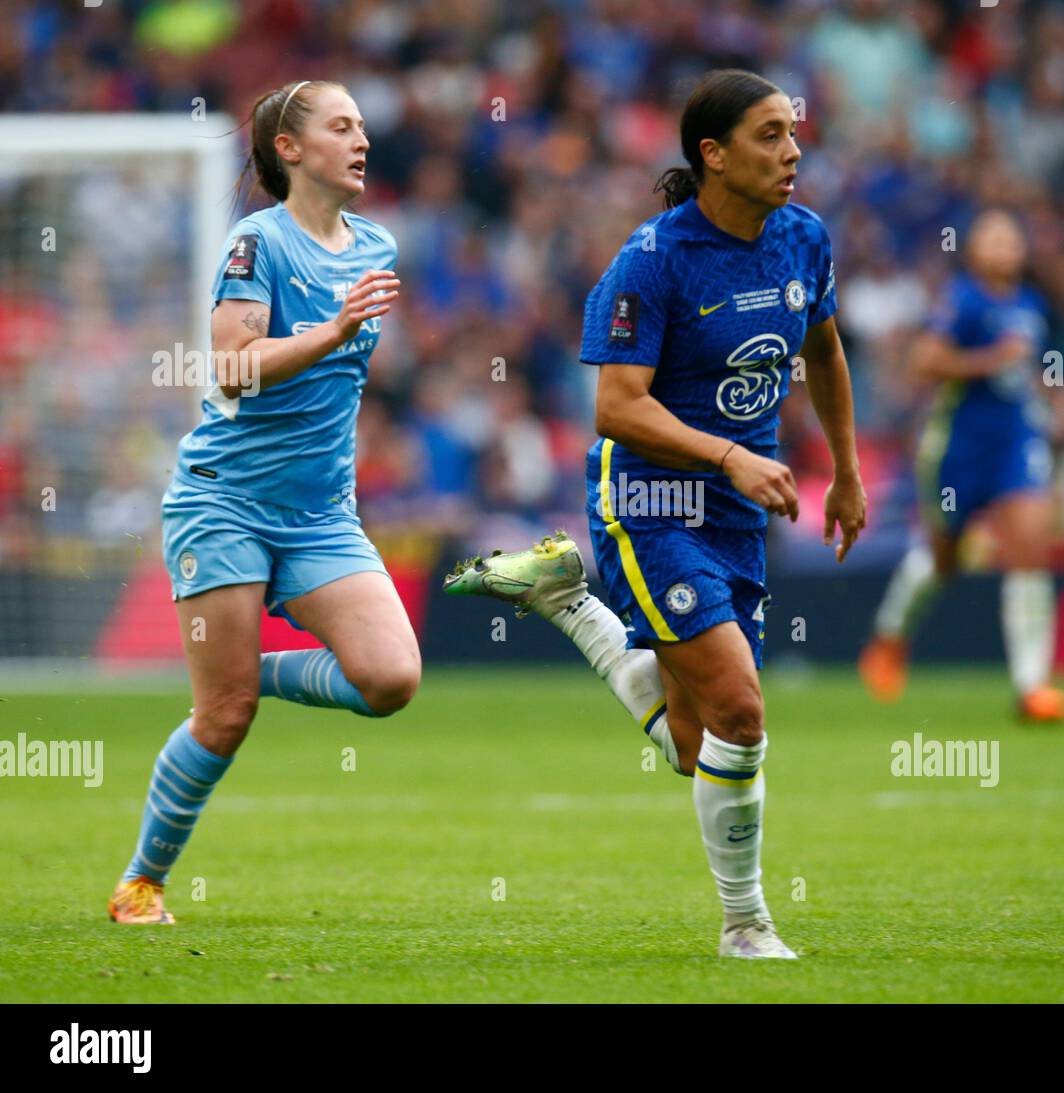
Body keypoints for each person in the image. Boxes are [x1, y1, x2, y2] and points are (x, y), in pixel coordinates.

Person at [445, 69, 866, 958]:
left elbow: (824, 349)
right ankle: (746, 923)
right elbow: (616, 407)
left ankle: (566, 600)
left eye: (792, 133)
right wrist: (729, 454)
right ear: (712, 155)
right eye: (768, 135)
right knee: (743, 717)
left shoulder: (803, 238)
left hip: (737, 510)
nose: (792, 152)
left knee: (693, 744)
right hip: (650, 499)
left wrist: (850, 472)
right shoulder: (654, 260)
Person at [108, 80, 422, 924]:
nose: (362, 139)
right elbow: (231, 365)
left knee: (391, 679)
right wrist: (330, 333)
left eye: (364, 124)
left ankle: (259, 673)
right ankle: (143, 881)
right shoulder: (258, 242)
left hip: (321, 512)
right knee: (223, 715)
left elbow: (344, 379)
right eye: (342, 125)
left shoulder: (378, 244)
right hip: (226, 502)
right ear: (290, 148)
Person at [859, 209, 1064, 721]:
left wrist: (1053, 401)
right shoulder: (962, 300)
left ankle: (1031, 687)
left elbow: (1023, 373)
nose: (1003, 247)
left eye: (1011, 238)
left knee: (1028, 550)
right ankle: (889, 638)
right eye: (992, 239)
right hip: (958, 445)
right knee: (945, 558)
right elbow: (924, 361)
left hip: (1015, 441)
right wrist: (988, 360)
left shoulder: (1031, 304)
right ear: (974, 251)